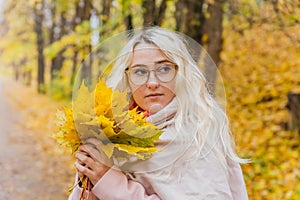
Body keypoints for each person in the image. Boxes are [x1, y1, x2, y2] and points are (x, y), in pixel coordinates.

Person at [68, 27, 249, 200]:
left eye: (164, 69)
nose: (152, 82)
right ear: (127, 78)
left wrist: (112, 185)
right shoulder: (114, 132)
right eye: (140, 71)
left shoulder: (198, 134)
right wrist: (91, 172)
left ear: (180, 73)